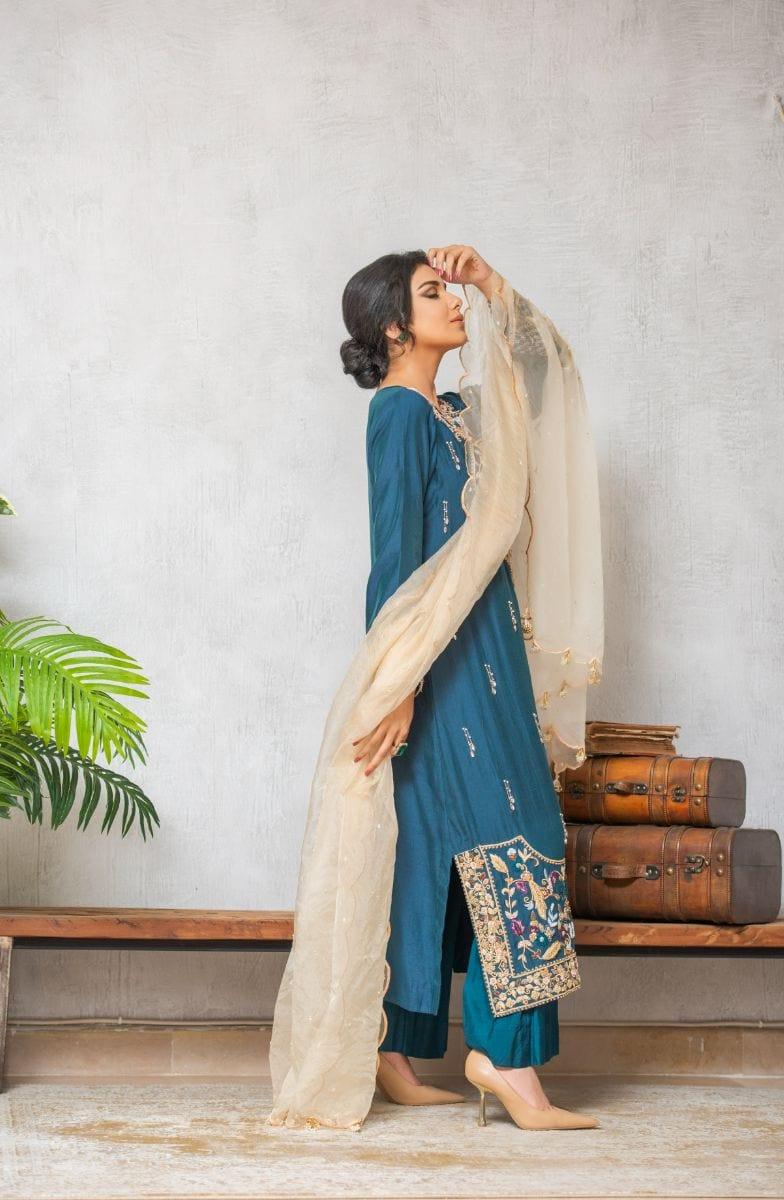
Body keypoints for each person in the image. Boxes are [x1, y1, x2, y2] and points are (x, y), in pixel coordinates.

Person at [267, 244, 604, 1132]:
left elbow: (545, 373)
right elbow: (395, 562)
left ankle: (391, 1046)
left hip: (485, 651)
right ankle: (508, 1062)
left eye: (451, 290)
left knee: (424, 852)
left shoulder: (456, 413)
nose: (453, 302)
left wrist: (491, 282)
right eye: (433, 293)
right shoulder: (399, 415)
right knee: (517, 834)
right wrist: (399, 682)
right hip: (441, 667)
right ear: (393, 326)